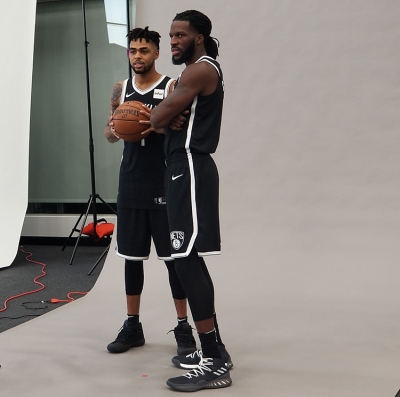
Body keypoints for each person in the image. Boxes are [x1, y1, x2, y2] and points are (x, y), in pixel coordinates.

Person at [150, 10, 233, 392]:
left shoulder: (200, 69)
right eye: (171, 35)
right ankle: (214, 351)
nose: (173, 42)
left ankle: (214, 360)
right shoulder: (189, 74)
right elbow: (166, 112)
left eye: (181, 35)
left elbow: (158, 117)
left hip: (191, 168)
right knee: (183, 259)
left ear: (199, 37)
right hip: (179, 168)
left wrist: (163, 114)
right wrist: (167, 112)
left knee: (185, 260)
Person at [104, 26, 197, 357]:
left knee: (174, 260)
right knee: (132, 258)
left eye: (143, 50)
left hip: (163, 183)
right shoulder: (121, 89)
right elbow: (109, 132)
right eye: (132, 51)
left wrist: (155, 122)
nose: (137, 56)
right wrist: (116, 128)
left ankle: (184, 327)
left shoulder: (171, 85)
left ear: (156, 53)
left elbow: (180, 125)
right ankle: (133, 325)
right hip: (130, 182)